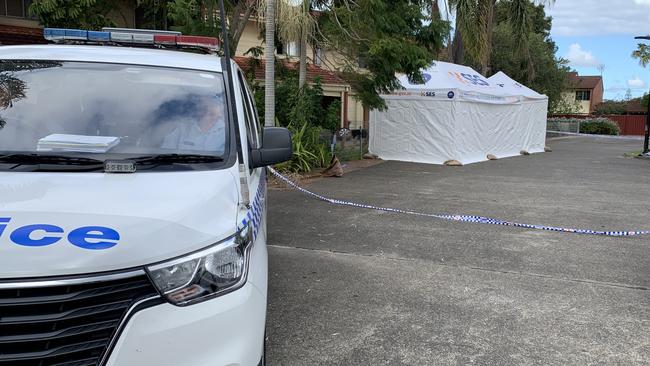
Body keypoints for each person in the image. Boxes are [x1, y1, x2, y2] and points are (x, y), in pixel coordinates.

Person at [161, 94, 226, 154]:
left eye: (212, 106)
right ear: (198, 109)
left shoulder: (227, 131)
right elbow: (165, 153)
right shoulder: (181, 128)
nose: (207, 111)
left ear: (220, 110)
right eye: (204, 107)